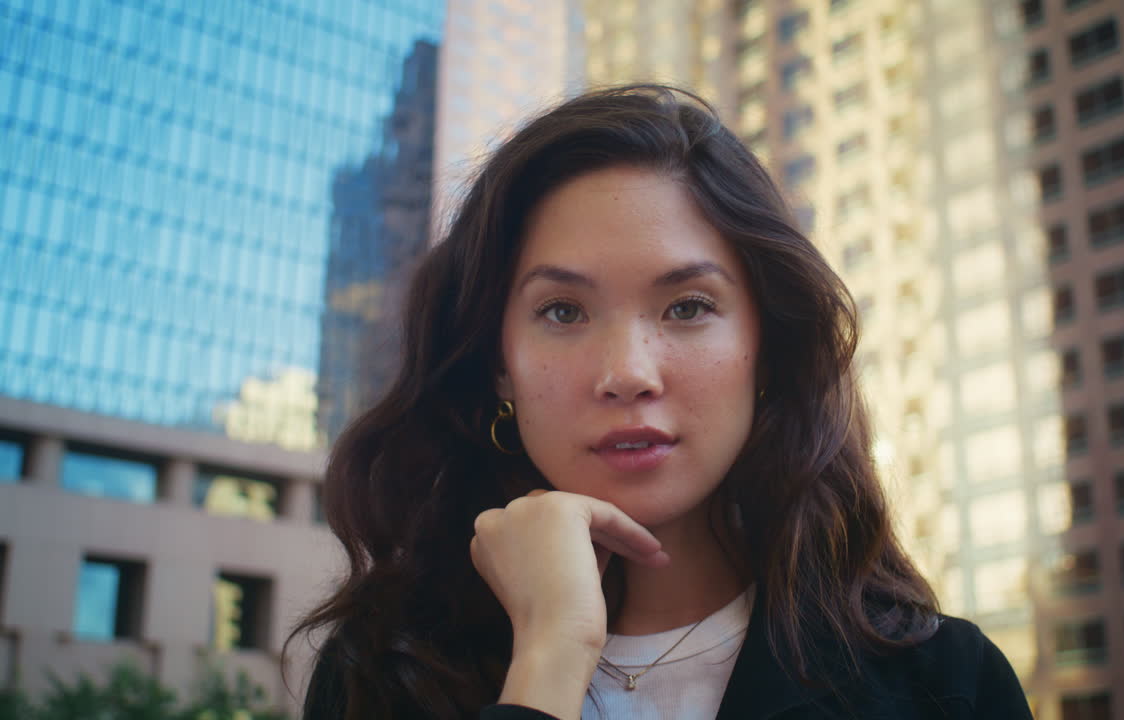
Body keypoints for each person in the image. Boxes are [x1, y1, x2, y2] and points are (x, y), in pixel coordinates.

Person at [292, 84, 1033, 720]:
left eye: (686, 307)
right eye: (562, 312)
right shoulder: (382, 675)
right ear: (498, 367)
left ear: (767, 345)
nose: (627, 373)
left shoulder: (944, 686)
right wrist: (550, 653)